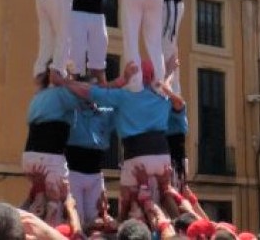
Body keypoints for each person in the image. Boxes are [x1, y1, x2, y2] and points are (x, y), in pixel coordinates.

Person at [66, 59, 184, 194]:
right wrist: (169, 73)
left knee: (132, 204)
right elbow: (177, 101)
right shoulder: (162, 96)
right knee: (161, 200)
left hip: (133, 157)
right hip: (162, 158)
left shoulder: (121, 97)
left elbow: (92, 92)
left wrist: (63, 82)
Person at [22, 67, 79, 221]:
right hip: (50, 157)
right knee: (55, 205)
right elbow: (87, 100)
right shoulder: (63, 94)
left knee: (39, 201)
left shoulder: (37, 96)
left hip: (29, 157)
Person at [70, 0, 124, 82]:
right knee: (75, 59)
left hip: (98, 15)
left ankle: (102, 91)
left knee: (99, 61)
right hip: (77, 13)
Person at [65, 99, 116, 228]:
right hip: (74, 173)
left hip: (95, 175)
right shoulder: (71, 111)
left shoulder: (105, 113)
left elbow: (123, 104)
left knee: (96, 222)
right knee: (77, 220)